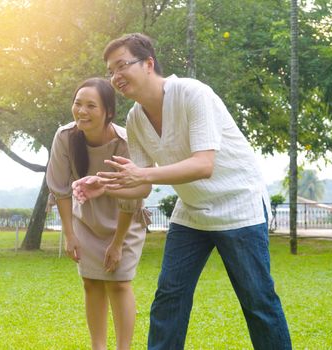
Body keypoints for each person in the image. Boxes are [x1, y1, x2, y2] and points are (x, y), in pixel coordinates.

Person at [73, 34, 292, 349]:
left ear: (149, 64)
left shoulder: (193, 93)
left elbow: (204, 165)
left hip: (238, 206)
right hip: (191, 211)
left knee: (257, 300)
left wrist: (140, 174)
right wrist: (105, 184)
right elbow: (142, 183)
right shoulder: (135, 118)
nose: (116, 77)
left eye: (122, 65)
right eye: (111, 70)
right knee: (169, 298)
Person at [46, 78, 151, 350]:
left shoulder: (125, 141)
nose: (82, 111)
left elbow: (132, 198)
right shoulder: (65, 136)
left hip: (124, 221)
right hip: (87, 220)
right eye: (78, 104)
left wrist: (117, 244)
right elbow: (60, 190)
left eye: (91, 105)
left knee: (118, 284)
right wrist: (69, 235)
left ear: (108, 112)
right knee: (91, 283)